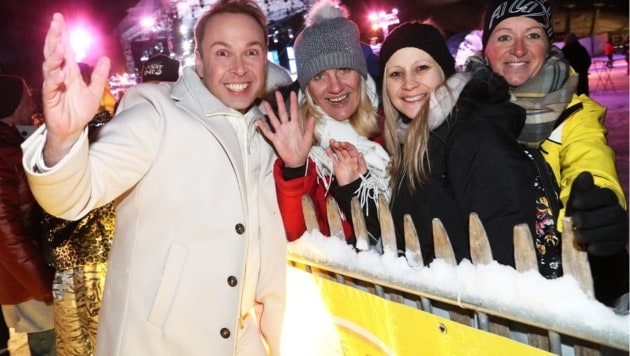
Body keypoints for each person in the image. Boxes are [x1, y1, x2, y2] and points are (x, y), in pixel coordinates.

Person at [22, 0, 287, 354]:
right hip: (157, 344)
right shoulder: (158, 113)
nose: (239, 68)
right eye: (223, 53)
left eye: (250, 52)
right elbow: (73, 196)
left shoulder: (263, 131)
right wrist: (64, 140)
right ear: (200, 61)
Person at [335, 21, 540, 268]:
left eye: (421, 68)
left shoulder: (474, 136)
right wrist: (354, 189)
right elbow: (403, 236)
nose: (408, 84)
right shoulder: (412, 139)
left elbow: (506, 260)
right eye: (396, 74)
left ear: (443, 72)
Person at [472, 0, 628, 308]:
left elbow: (589, 156)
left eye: (532, 35)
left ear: (548, 45)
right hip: (490, 295)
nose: (518, 49)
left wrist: (598, 203)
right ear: (485, 50)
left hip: (572, 294)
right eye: (504, 36)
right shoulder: (462, 115)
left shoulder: (575, 115)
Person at [257, 0, 389, 246]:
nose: (336, 86)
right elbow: (296, 237)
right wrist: (295, 168)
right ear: (308, 88)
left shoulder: (391, 127)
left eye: (344, 69)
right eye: (319, 76)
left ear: (360, 73)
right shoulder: (296, 141)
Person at [40, 62, 116, 356]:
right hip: (101, 263)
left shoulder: (50, 138)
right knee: (107, 342)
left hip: (64, 265)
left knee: (75, 344)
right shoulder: (109, 133)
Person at [0, 75, 56, 356]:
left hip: (28, 273)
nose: (32, 102)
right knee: (50, 344)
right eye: (26, 98)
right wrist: (43, 285)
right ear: (10, 105)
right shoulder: (2, 152)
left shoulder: (10, 141)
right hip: (27, 281)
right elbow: (5, 232)